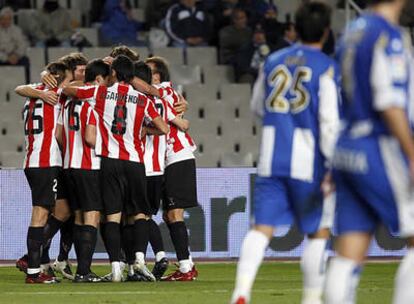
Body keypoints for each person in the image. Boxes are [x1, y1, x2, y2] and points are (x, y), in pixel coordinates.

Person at [231, 2, 340, 304]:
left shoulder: (273, 60)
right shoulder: (327, 67)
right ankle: (311, 298)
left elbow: (256, 107)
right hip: (310, 163)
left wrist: (279, 127)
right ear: (326, 31)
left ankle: (241, 292)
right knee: (318, 233)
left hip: (271, 157)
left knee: (261, 228)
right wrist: (333, 164)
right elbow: (329, 122)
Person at [324, 0, 414, 303]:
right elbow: (389, 101)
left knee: (350, 248)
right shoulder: (389, 35)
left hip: (347, 147)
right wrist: (412, 152)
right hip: (380, 145)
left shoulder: (352, 31)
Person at [63, 55, 169, 282]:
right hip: (135, 162)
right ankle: (139, 260)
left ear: (113, 74)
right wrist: (145, 131)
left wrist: (88, 83)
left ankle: (116, 266)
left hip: (109, 161)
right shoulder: (143, 100)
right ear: (131, 76)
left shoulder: (100, 93)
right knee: (140, 213)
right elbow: (163, 128)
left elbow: (70, 91)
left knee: (112, 216)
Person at [16, 61, 73, 284]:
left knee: (61, 208)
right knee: (40, 214)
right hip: (45, 162)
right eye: (67, 79)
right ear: (58, 81)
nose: (70, 84)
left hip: (34, 160)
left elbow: (19, 88)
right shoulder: (57, 96)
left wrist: (42, 78)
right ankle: (33, 271)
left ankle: (32, 262)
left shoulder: (32, 96)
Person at [133, 61, 190, 281]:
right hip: (158, 167)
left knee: (138, 215)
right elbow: (181, 125)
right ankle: (160, 257)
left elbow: (181, 126)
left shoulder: (144, 98)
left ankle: (138, 261)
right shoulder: (162, 100)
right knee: (148, 215)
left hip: (141, 165)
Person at [56, 59, 111, 283]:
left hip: (69, 165)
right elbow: (90, 138)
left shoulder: (68, 103)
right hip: (88, 166)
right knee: (91, 216)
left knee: (79, 217)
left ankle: (82, 270)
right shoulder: (93, 102)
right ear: (98, 80)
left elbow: (59, 136)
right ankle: (84, 272)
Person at [145, 56, 199, 281]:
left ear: (156, 76)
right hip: (171, 158)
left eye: (147, 71)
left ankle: (186, 268)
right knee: (170, 215)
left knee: (174, 213)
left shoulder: (162, 94)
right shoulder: (169, 94)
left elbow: (177, 125)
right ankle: (188, 264)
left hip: (177, 156)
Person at [0, 6, 29, 81]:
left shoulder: (17, 30)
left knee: (25, 61)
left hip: (15, 56)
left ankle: (26, 85)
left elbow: (23, 44)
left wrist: (16, 55)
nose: (5, 21)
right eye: (3, 18)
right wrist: (6, 58)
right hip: (2, 56)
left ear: (11, 20)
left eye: (8, 19)